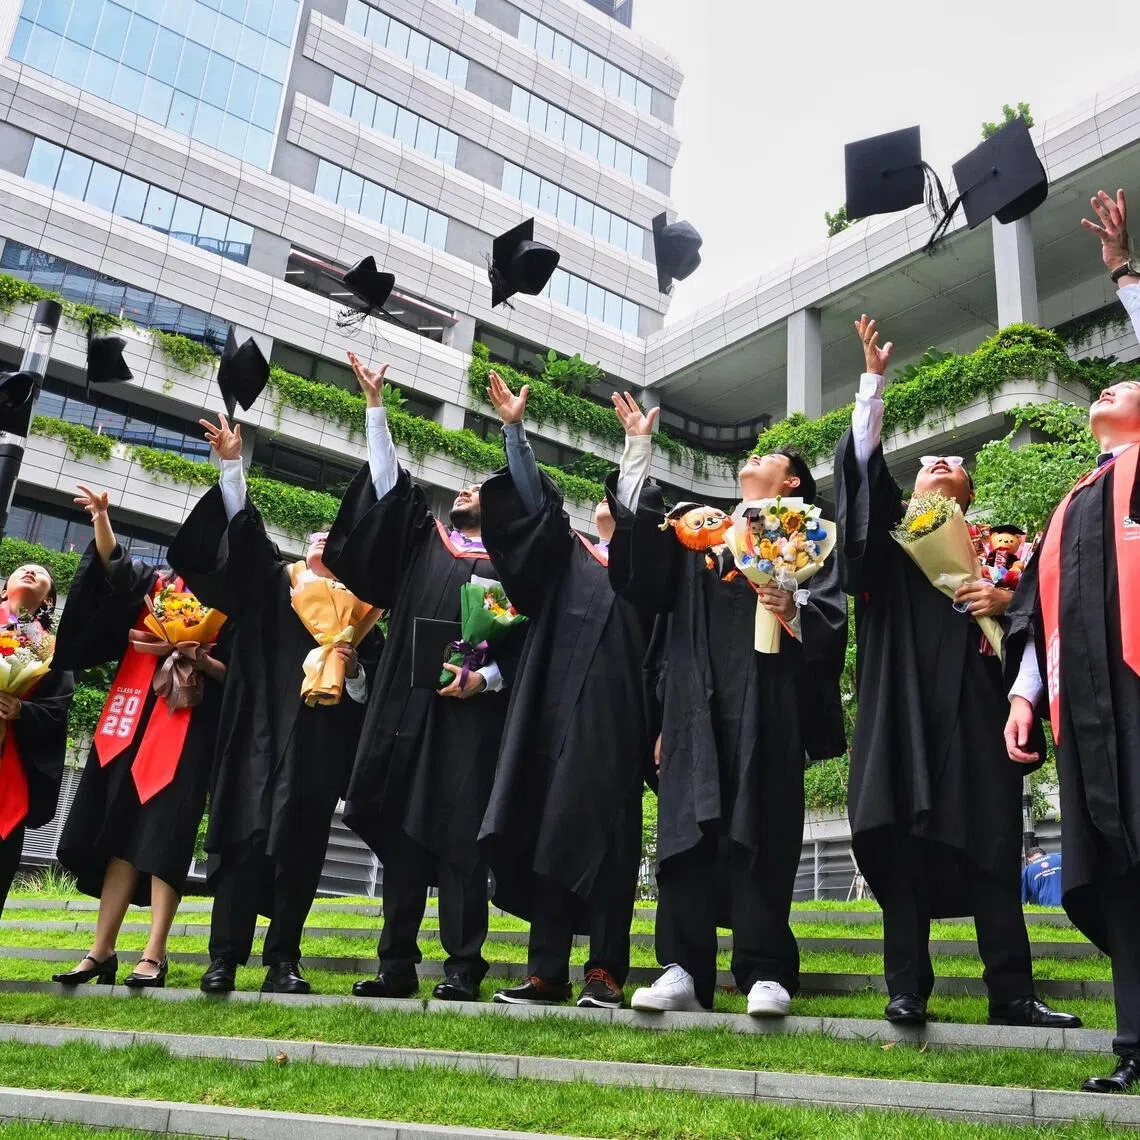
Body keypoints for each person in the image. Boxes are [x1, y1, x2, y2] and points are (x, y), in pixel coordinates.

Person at [833, 315, 1079, 1031]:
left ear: (972, 492)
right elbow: (862, 486)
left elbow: (1043, 624)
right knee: (900, 843)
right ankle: (907, 986)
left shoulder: (1007, 551)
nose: (941, 466)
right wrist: (871, 385)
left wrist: (1004, 598)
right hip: (902, 710)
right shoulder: (888, 546)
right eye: (929, 465)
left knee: (995, 847)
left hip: (978, 711)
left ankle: (1012, 993)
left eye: (954, 467)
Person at [606, 395, 848, 1017]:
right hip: (693, 708)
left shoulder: (806, 541)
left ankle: (764, 969)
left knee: (762, 831)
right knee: (686, 834)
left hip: (767, 708)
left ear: (791, 482)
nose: (752, 459)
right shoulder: (700, 532)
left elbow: (831, 619)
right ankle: (683, 968)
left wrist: (791, 609)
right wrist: (638, 452)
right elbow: (644, 583)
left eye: (766, 456)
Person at [323, 354, 527, 1003]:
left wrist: (486, 678)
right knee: (405, 838)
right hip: (408, 712)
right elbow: (388, 489)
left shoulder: (515, 569)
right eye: (463, 491)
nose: (466, 493)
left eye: (479, 492)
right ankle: (395, 966)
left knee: (462, 847)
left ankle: (464, 968)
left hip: (470, 721)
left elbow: (524, 652)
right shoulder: (426, 542)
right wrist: (376, 410)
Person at [167, 414, 381, 996]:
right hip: (255, 734)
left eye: (330, 543)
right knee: (240, 844)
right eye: (315, 538)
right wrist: (232, 467)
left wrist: (353, 665)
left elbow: (371, 693)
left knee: (301, 851)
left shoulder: (362, 617)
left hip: (315, 746)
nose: (321, 544)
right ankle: (224, 958)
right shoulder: (273, 582)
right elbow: (243, 538)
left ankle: (283, 959)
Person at [1005, 187, 1140, 1092]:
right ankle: (1135, 1044)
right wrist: (1024, 695)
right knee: (1120, 871)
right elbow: (1037, 619)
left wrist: (1126, 273)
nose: (1110, 388)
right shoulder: (1067, 507)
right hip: (1089, 718)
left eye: (1126, 381)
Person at [477, 372, 658, 1009]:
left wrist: (636, 450)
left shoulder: (643, 572)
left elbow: (640, 519)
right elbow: (532, 509)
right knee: (550, 833)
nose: (612, 504)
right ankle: (546, 971)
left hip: (617, 726)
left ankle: (605, 971)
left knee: (609, 843)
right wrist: (514, 432)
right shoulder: (567, 558)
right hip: (552, 721)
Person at [51, 486, 226, 989]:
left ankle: (154, 953)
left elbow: (237, 675)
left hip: (187, 730)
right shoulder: (158, 584)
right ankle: (101, 950)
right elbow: (116, 569)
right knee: (120, 832)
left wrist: (198, 656)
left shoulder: (229, 603)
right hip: (130, 724)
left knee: (165, 834)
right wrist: (103, 520)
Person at [0, 563, 73, 916]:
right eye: (23, 569)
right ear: (4, 588)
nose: (31, 572)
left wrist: (21, 710)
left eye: (41, 573)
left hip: (11, 773)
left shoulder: (50, 650)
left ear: (48, 599)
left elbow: (57, 711)